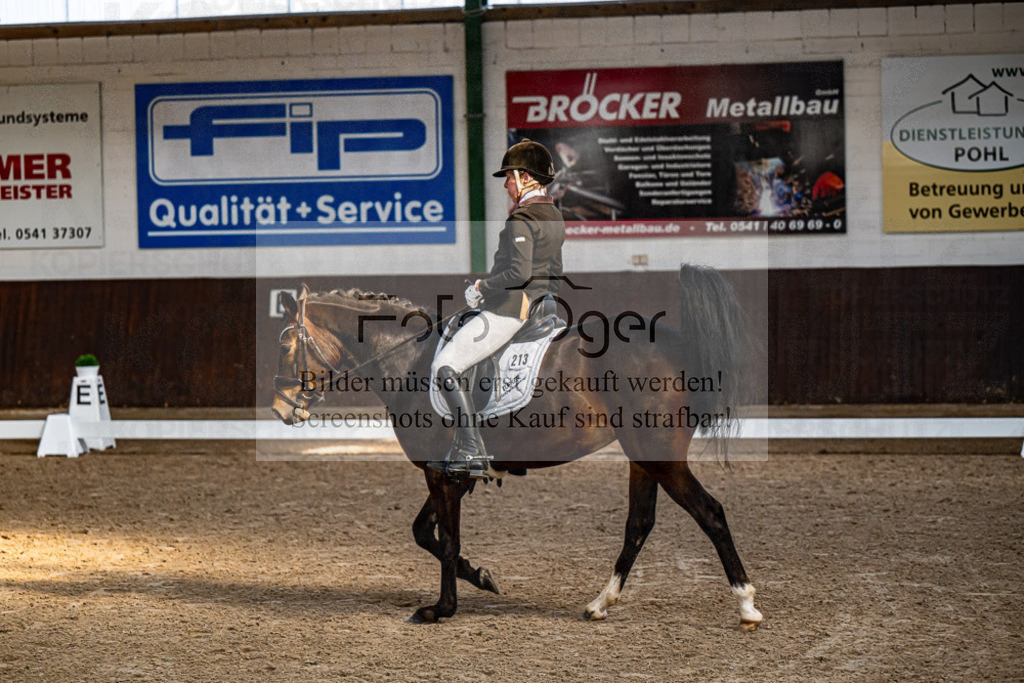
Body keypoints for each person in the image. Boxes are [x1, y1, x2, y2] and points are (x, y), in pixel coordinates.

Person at [429, 139, 566, 479]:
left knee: (445, 364)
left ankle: (471, 447)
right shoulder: (554, 215)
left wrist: (481, 288)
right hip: (542, 306)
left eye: (508, 177)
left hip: (511, 309)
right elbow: (551, 274)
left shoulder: (523, 218)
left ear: (523, 178)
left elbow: (517, 274)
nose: (505, 185)